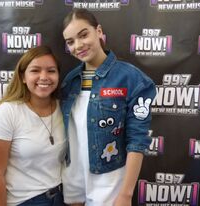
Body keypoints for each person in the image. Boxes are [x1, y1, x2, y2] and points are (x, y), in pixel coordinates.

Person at [60, 9, 156, 206]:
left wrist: (126, 194)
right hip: (72, 178)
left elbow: (137, 141)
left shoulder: (131, 79)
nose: (78, 46)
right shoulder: (70, 81)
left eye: (83, 35)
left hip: (110, 182)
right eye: (70, 42)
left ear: (99, 31)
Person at [0, 45, 66, 206]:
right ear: (22, 76)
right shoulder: (6, 113)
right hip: (25, 201)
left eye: (51, 70)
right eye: (35, 70)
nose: (44, 77)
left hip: (61, 198)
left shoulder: (64, 109)